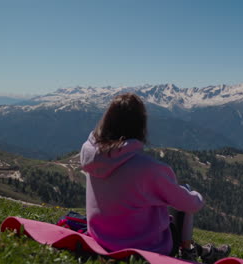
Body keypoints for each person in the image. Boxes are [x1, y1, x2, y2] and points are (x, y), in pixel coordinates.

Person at [80, 93, 230, 263]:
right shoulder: (148, 168)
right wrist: (197, 196)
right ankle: (189, 252)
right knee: (185, 192)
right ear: (140, 125)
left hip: (101, 239)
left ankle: (203, 250)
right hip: (146, 247)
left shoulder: (92, 157)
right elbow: (190, 204)